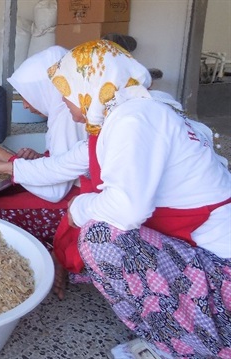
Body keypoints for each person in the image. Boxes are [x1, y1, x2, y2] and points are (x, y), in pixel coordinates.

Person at [48, 39, 231, 358]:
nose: (65, 103)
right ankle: (174, 331)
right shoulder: (141, 112)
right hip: (208, 259)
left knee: (100, 238)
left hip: (221, 276)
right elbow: (64, 163)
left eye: (66, 91)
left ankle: (188, 345)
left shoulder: (134, 117)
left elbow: (126, 209)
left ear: (87, 83)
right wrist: (11, 165)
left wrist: (78, 209)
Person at [0, 46, 87, 250]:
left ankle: (50, 251)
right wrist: (40, 158)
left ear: (45, 89)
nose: (24, 105)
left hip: (69, 207)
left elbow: (55, 191)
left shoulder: (68, 117)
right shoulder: (62, 112)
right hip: (70, 192)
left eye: (26, 96)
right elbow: (67, 162)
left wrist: (8, 160)